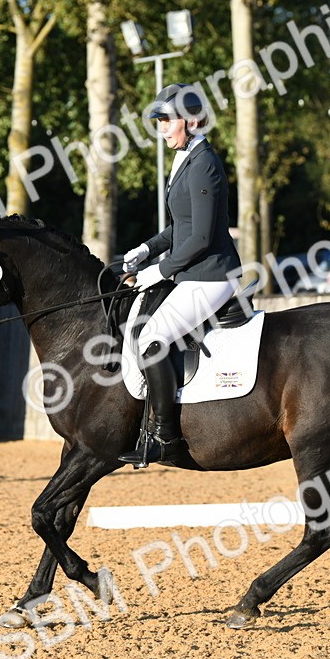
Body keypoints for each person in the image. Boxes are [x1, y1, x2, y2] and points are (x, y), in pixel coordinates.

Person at [118, 83, 242, 466]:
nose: (161, 128)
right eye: (159, 121)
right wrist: (148, 248)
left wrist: (159, 271)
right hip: (192, 272)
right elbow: (181, 226)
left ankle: (165, 437)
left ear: (190, 120)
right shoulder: (186, 158)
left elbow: (202, 237)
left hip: (212, 275)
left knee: (152, 337)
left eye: (166, 120)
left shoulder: (204, 162)